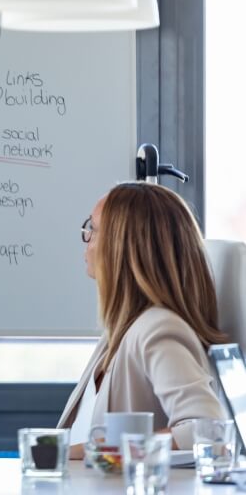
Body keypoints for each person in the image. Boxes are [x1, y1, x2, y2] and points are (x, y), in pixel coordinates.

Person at [58, 182, 227, 457]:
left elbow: (207, 428)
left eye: (94, 228)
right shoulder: (123, 328)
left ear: (120, 247)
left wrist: (108, 449)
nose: (87, 239)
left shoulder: (158, 328)